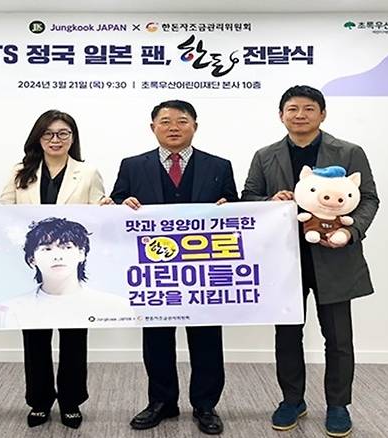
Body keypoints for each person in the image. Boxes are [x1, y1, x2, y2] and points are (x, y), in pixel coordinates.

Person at [241, 85, 379, 437]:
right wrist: (270, 201)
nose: (300, 115)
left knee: (338, 337)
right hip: (284, 260)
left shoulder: (349, 152)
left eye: (308, 108)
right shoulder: (265, 155)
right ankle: (292, 400)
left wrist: (351, 231)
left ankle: (338, 405)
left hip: (335, 256)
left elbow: (368, 199)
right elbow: (249, 196)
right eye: (292, 109)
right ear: (281, 115)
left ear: (322, 114)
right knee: (287, 335)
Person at [0, 110, 105, 429]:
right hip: (32, 268)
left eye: (63, 133)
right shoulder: (21, 172)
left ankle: (71, 401)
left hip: (69, 272)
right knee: (35, 338)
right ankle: (39, 401)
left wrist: (108, 208)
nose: (56, 139)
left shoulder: (87, 172)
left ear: (73, 138)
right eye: (48, 133)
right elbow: (4, 213)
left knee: (74, 338)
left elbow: (99, 215)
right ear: (38, 138)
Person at [107, 99, 238, 435]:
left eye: (182, 120)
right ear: (153, 127)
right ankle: (161, 402)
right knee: (156, 339)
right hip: (156, 271)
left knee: (207, 338)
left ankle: (205, 405)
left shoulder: (219, 165)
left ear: (195, 125)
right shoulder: (132, 165)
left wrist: (229, 206)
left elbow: (236, 210)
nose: (174, 127)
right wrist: (122, 204)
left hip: (202, 271)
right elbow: (116, 203)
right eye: (165, 121)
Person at [0, 217, 134, 329]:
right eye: (47, 249)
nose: (57, 256)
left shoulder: (116, 306)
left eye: (66, 247)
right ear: (32, 259)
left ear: (81, 254)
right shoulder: (10, 310)